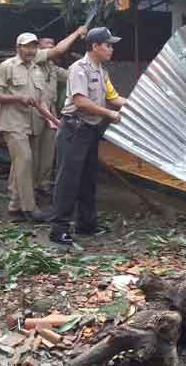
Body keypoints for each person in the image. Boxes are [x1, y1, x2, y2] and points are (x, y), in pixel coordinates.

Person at [0, 27, 87, 222]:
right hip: (13, 123)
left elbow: (40, 99)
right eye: (27, 47)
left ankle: (15, 206)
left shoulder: (37, 69)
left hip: (33, 122)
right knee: (24, 160)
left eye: (33, 47)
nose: (31, 51)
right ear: (18, 47)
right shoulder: (5, 67)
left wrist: (54, 120)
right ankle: (29, 208)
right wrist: (18, 98)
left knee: (25, 164)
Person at [49, 27, 126, 245]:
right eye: (108, 45)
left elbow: (114, 97)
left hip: (90, 130)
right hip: (74, 129)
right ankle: (58, 229)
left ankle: (87, 223)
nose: (111, 49)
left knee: (88, 178)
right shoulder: (78, 69)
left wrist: (138, 103)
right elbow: (81, 101)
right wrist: (109, 113)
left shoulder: (102, 71)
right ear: (95, 46)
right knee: (68, 179)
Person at [33, 37, 68, 197]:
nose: (52, 47)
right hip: (35, 111)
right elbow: (58, 51)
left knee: (48, 151)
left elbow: (69, 75)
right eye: (48, 45)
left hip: (51, 112)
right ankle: (30, 186)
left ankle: (43, 184)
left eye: (53, 44)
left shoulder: (53, 67)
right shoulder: (35, 58)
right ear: (39, 47)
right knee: (33, 151)